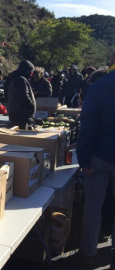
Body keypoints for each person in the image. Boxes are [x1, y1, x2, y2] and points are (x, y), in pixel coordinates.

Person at [75, 50, 115, 268]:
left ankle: (88, 251)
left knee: (93, 205)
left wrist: (84, 159)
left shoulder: (99, 87)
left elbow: (88, 127)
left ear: (111, 61)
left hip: (99, 156)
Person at [7, 60, 36, 130]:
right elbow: (24, 96)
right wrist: (32, 106)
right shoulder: (21, 80)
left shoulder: (14, 78)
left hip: (15, 112)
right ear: (27, 71)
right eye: (31, 73)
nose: (31, 75)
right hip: (21, 114)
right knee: (20, 135)